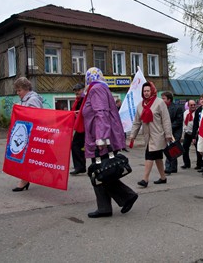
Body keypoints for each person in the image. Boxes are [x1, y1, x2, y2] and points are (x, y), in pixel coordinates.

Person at [81, 67, 138, 218]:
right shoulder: (99, 88)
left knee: (100, 172)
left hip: (100, 139)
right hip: (99, 137)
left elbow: (101, 113)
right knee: (100, 171)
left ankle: (126, 196)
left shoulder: (96, 89)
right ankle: (105, 207)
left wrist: (101, 138)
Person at [130, 82, 173, 187]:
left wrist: (168, 135)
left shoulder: (159, 103)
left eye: (148, 91)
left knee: (149, 155)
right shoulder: (140, 105)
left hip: (158, 135)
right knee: (158, 157)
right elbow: (137, 122)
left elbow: (166, 120)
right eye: (144, 91)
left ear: (152, 91)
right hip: (147, 136)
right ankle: (163, 178)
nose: (146, 93)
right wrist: (132, 136)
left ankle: (145, 180)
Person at [12, 77, 43, 192]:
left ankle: (24, 180)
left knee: (26, 157)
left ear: (25, 88)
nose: (18, 93)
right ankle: (25, 179)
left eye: (19, 90)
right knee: (25, 157)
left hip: (32, 133)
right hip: (26, 132)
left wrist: (21, 110)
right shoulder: (26, 99)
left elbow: (38, 115)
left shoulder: (32, 99)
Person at [161, 91, 184, 174]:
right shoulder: (163, 108)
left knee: (171, 149)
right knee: (171, 149)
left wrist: (168, 128)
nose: (161, 100)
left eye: (163, 98)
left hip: (175, 132)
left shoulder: (177, 108)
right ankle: (173, 168)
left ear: (169, 99)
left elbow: (179, 121)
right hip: (167, 131)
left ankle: (168, 168)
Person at [70, 83, 86, 175]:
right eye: (75, 91)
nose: (77, 92)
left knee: (76, 146)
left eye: (78, 90)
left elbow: (84, 111)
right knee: (78, 147)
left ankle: (80, 167)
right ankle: (80, 166)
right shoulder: (78, 100)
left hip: (84, 127)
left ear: (83, 89)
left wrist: (78, 113)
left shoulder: (84, 99)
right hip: (80, 126)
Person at [192, 93, 203, 173]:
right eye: (201, 99)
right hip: (199, 132)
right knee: (199, 149)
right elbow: (195, 123)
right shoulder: (198, 110)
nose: (202, 101)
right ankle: (201, 165)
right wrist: (193, 136)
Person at [180, 99, 197, 169]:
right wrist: (184, 129)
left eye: (194, 105)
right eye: (191, 105)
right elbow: (184, 122)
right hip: (187, 133)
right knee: (185, 149)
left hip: (195, 133)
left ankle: (199, 164)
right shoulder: (186, 113)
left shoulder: (197, 112)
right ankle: (186, 164)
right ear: (188, 106)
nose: (193, 106)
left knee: (198, 150)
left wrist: (196, 132)